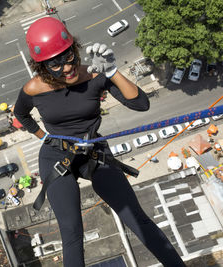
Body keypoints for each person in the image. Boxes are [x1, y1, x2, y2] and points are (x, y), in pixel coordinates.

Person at [13, 17, 186, 267]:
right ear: (42, 67)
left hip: (94, 152)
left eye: (69, 56)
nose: (67, 68)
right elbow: (21, 114)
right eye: (55, 64)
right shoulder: (33, 88)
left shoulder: (94, 75)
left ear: (74, 49)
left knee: (136, 218)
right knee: (72, 232)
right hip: (56, 156)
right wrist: (44, 136)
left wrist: (112, 72)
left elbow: (141, 104)